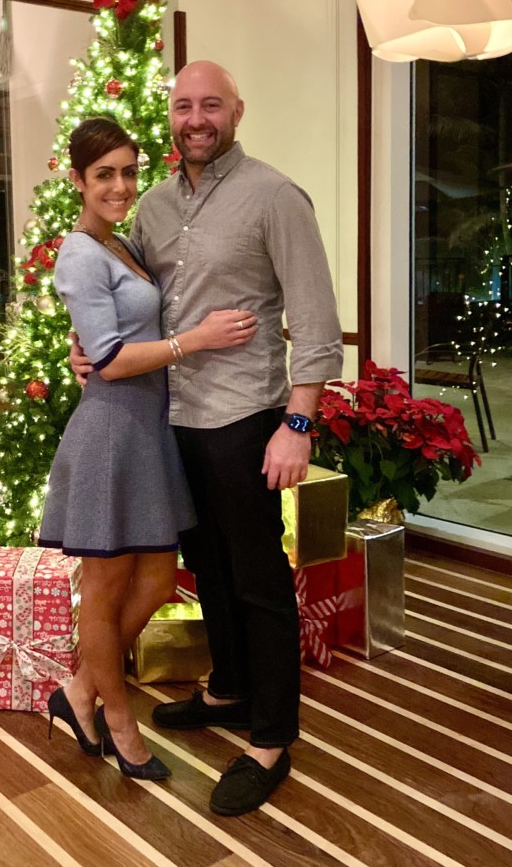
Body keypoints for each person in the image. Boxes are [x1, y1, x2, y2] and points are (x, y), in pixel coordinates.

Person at [71, 63, 343, 816]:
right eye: (184, 105)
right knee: (209, 569)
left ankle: (271, 736)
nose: (196, 117)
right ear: (172, 114)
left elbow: (315, 320)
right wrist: (83, 345)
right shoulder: (151, 207)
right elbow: (125, 299)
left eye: (211, 104)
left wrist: (297, 423)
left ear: (236, 112)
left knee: (257, 576)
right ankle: (226, 688)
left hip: (246, 418)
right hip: (172, 420)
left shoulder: (275, 196)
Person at [38, 116, 258, 781]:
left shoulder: (123, 243)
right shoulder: (79, 253)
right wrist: (195, 340)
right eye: (104, 174)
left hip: (150, 430)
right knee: (104, 590)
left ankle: (78, 692)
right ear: (76, 179)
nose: (120, 185)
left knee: (160, 580)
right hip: (112, 433)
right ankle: (120, 723)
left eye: (129, 171)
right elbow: (105, 357)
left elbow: (105, 342)